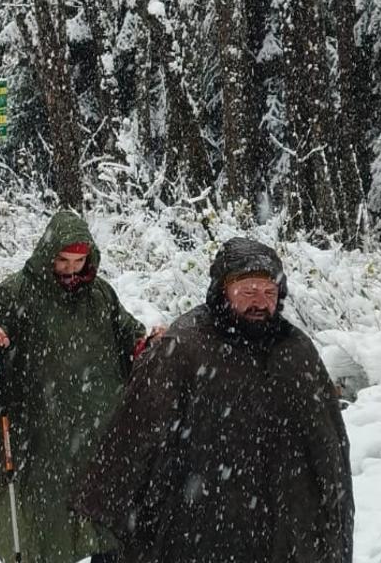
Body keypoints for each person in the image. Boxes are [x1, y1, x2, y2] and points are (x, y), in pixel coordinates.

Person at [71, 237, 354, 563]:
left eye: (269, 292)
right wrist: (114, 515)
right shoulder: (185, 346)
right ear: (223, 291)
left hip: (282, 522)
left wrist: (332, 515)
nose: (259, 302)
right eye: (248, 291)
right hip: (200, 521)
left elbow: (328, 446)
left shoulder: (295, 350)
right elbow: (134, 434)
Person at [0, 210, 146, 563]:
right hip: (40, 433)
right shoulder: (18, 291)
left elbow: (130, 335)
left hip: (97, 430)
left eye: (79, 261)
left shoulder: (100, 295)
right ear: (48, 254)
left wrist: (145, 344)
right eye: (63, 260)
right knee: (46, 527)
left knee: (104, 526)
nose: (72, 270)